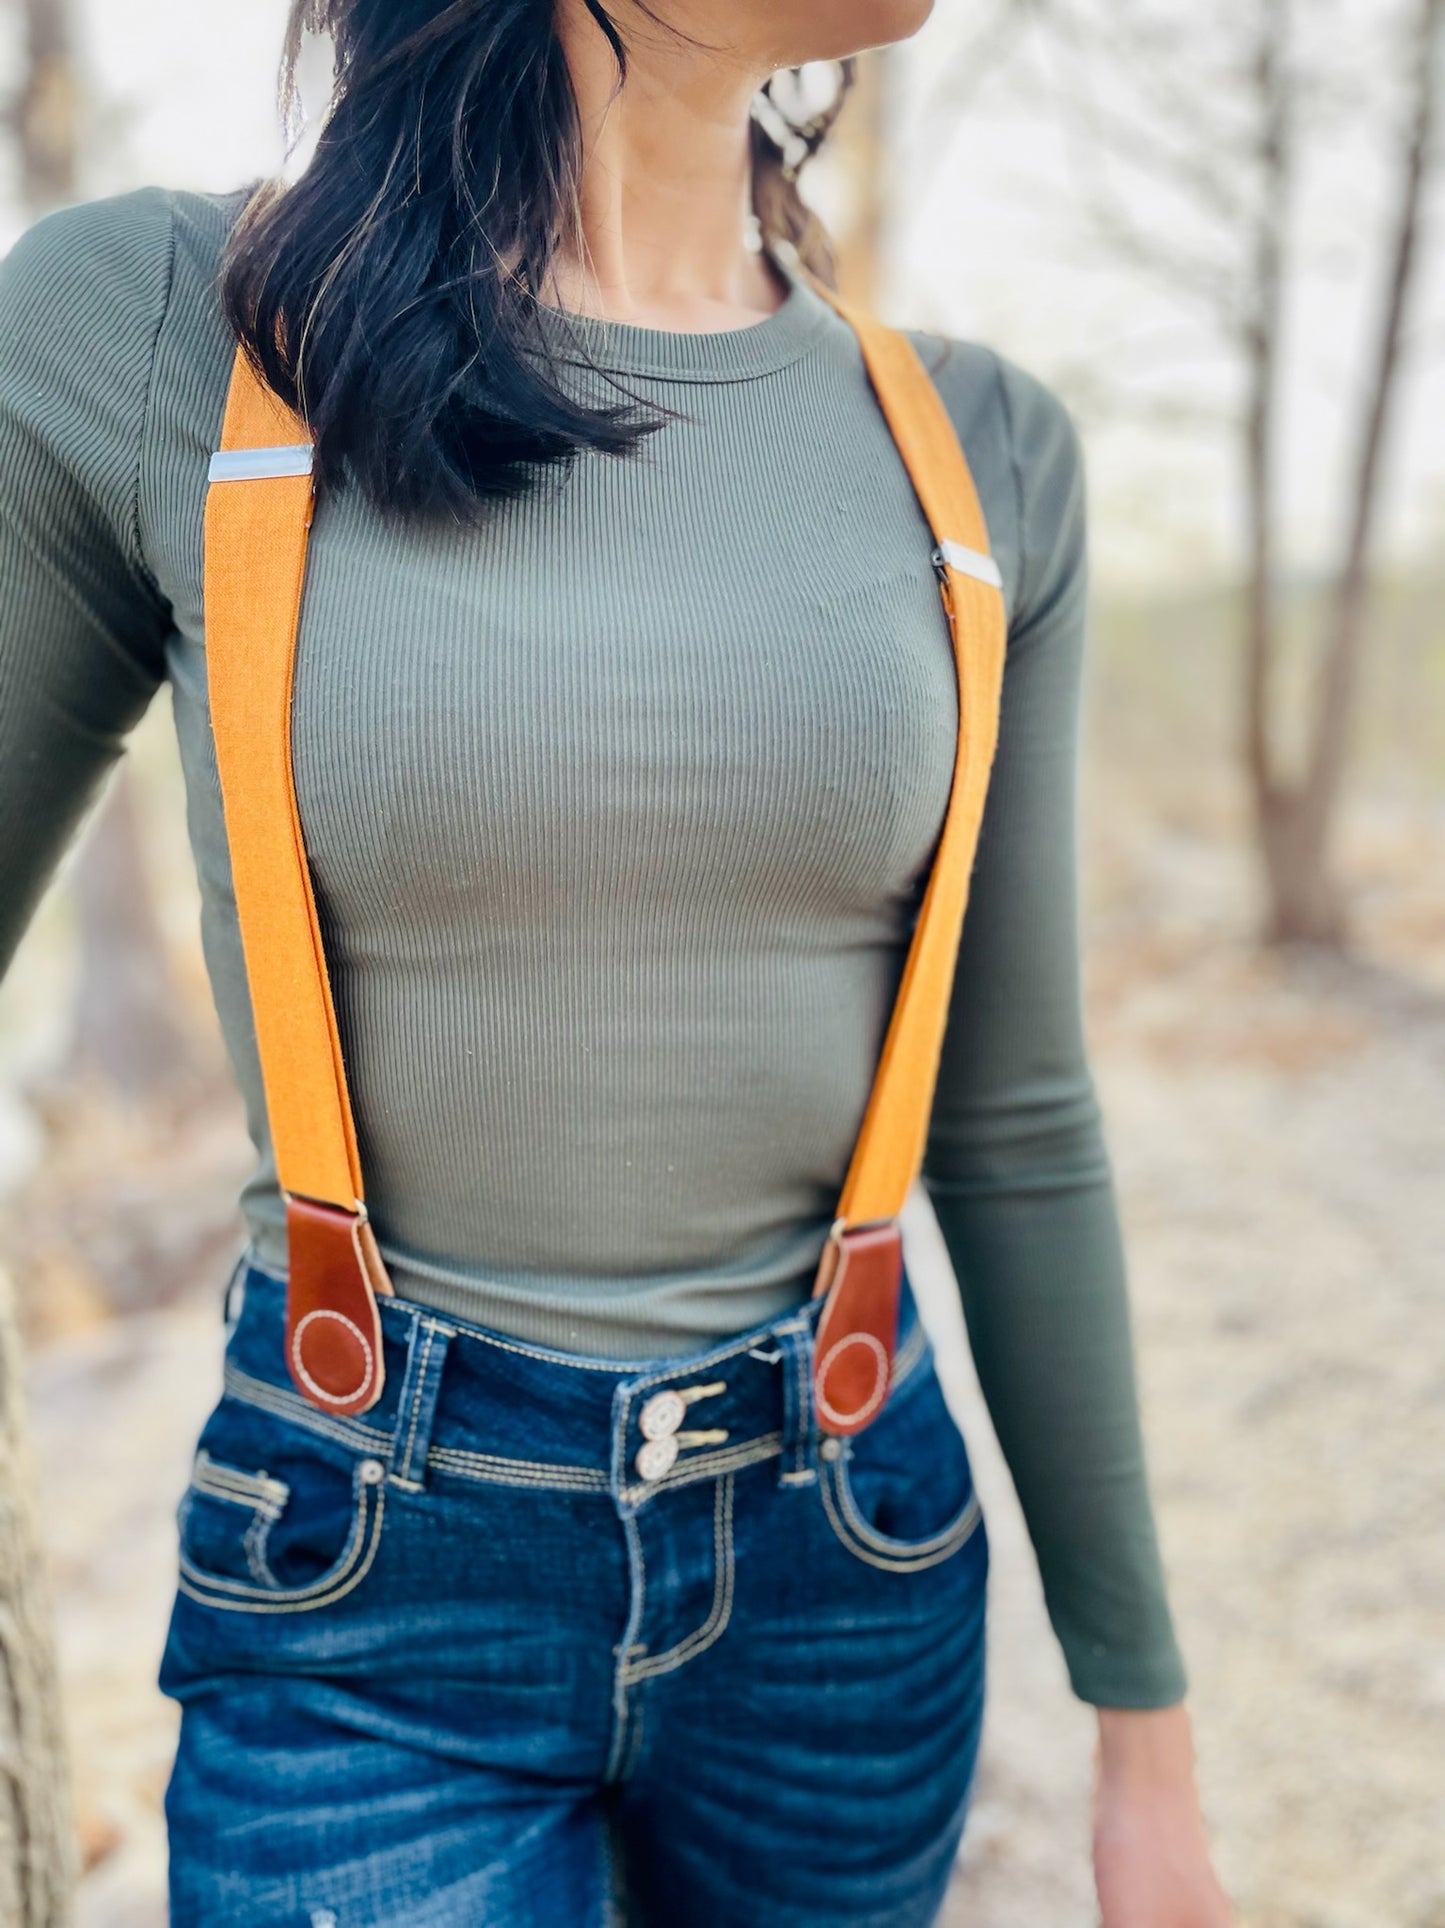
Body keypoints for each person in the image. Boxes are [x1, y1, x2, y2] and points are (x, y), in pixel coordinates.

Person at [0, 1, 1234, 1922]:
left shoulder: (980, 451)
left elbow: (1017, 1116)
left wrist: (1140, 1735)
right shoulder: (163, 330)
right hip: (366, 1597)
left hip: (851, 1572)